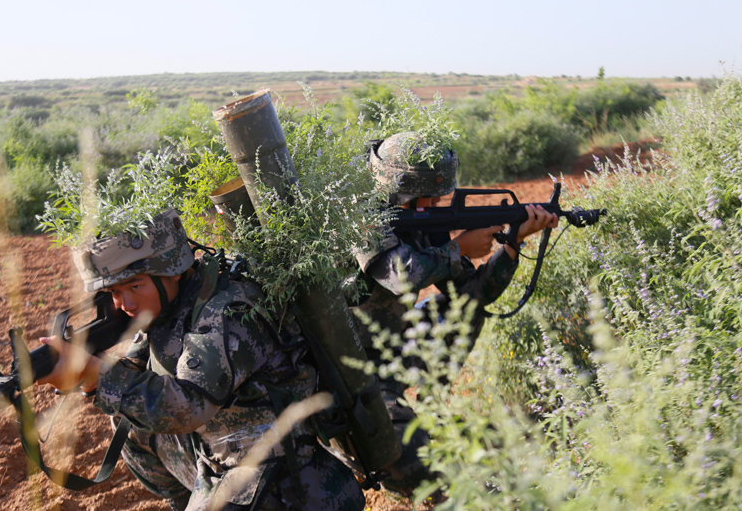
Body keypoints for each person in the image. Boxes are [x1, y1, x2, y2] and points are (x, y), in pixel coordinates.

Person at [37, 208, 365, 511]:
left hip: (280, 478)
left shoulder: (225, 311)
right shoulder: (175, 305)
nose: (123, 303)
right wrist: (86, 374)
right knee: (132, 426)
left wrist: (96, 376)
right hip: (223, 451)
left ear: (173, 269)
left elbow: (186, 408)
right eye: (113, 293)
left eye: (133, 286)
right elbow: (139, 372)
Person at [348, 131, 558, 496]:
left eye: (437, 195)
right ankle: (361, 447)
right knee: (416, 475)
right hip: (345, 375)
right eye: (424, 196)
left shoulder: (422, 220)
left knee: (465, 312)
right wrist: (456, 249)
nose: (433, 203)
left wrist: (514, 240)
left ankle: (426, 415)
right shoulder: (360, 219)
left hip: (391, 351)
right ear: (397, 189)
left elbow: (475, 295)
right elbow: (401, 275)